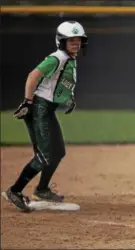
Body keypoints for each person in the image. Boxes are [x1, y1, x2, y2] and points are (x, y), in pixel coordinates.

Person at [1, 21, 88, 212]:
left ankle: (41, 190)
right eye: (70, 40)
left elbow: (59, 83)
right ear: (61, 42)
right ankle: (14, 191)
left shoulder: (70, 59)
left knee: (58, 152)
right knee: (45, 155)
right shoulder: (57, 58)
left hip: (47, 109)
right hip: (39, 108)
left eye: (78, 40)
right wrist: (27, 101)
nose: (75, 43)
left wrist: (69, 98)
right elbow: (33, 76)